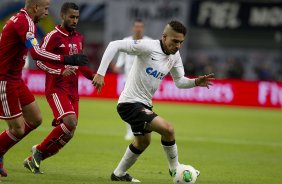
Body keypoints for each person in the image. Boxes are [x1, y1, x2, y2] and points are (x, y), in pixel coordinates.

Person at [93, 20, 214, 182]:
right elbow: (114, 45)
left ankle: (118, 174)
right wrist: (101, 73)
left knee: (143, 142)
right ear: (164, 37)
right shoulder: (148, 46)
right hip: (129, 103)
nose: (178, 46)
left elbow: (179, 82)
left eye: (181, 42)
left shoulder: (175, 56)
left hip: (144, 104)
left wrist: (195, 82)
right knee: (168, 129)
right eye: (175, 41)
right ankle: (174, 169)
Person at [0, 0, 88, 177]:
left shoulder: (24, 22)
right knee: (17, 128)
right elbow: (36, 53)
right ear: (35, 8)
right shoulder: (26, 23)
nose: (47, 13)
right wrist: (67, 60)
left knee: (35, 119)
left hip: (16, 79)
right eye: (45, 8)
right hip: (4, 79)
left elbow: (29, 49)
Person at [23, 2, 95, 174]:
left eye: (77, 17)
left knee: (69, 132)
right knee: (70, 122)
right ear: (62, 16)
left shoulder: (79, 37)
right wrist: (59, 70)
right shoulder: (53, 36)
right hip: (56, 88)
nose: (75, 20)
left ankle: (35, 158)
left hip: (73, 91)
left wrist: (93, 77)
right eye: (71, 17)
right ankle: (38, 150)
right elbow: (39, 60)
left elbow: (80, 65)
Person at [114, 19, 152, 141]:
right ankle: (130, 131)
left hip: (144, 82)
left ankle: (141, 129)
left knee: (143, 106)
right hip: (128, 80)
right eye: (136, 26)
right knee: (126, 106)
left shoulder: (150, 42)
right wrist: (117, 66)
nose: (138, 29)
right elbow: (121, 60)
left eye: (140, 27)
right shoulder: (126, 41)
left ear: (143, 28)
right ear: (133, 28)